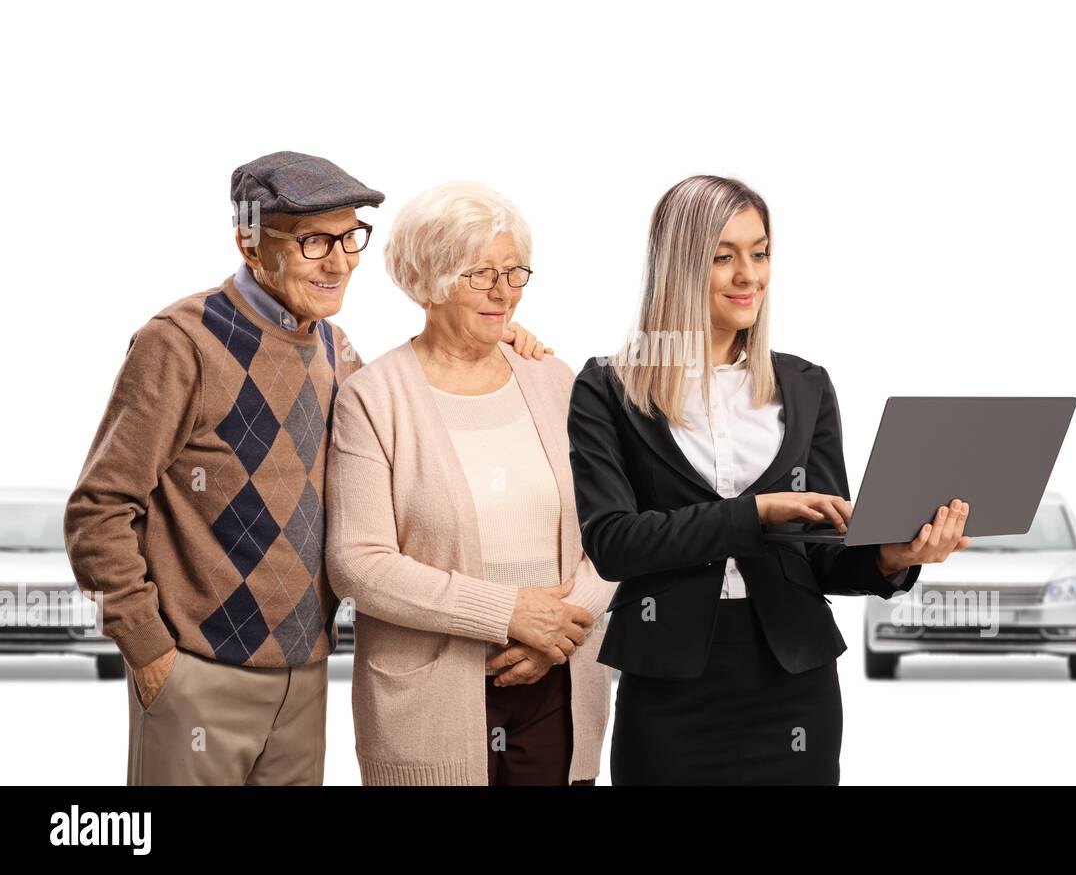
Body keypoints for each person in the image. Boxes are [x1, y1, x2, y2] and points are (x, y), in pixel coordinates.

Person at [65, 152, 548, 785]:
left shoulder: (334, 346)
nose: (340, 260)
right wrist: (150, 651)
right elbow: (98, 511)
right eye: (314, 240)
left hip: (306, 674)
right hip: (197, 672)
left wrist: (493, 339)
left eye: (350, 237)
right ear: (249, 239)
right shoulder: (180, 342)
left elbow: (407, 416)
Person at [567, 174, 972, 785]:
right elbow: (614, 543)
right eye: (722, 257)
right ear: (677, 266)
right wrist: (752, 515)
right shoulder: (607, 388)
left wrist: (891, 556)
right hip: (671, 688)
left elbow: (824, 554)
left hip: (793, 682)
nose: (748, 276)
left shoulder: (806, 386)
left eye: (760, 253)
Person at [325, 181, 615, 785]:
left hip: (559, 682)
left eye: (514, 272)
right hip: (430, 696)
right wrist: (508, 613)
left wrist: (560, 628)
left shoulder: (553, 379)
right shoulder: (374, 398)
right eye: (481, 274)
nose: (504, 292)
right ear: (430, 278)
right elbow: (359, 562)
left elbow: (613, 532)